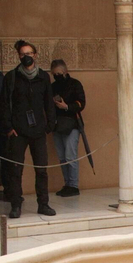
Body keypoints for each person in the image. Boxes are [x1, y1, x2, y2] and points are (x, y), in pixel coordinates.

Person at [0, 40, 56, 218]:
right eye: (23, 54)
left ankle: (43, 204)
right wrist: (8, 127)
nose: (26, 57)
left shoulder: (44, 77)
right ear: (19, 56)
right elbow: (4, 104)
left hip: (38, 130)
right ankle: (16, 204)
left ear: (35, 55)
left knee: (41, 169)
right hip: (18, 131)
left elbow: (49, 102)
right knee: (15, 170)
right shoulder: (11, 77)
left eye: (29, 53)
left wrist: (49, 125)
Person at [50, 59, 87, 198]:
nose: (56, 76)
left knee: (70, 156)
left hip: (72, 124)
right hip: (57, 124)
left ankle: (73, 185)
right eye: (54, 74)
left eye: (58, 73)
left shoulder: (75, 84)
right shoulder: (53, 86)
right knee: (62, 157)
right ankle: (67, 184)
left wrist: (66, 106)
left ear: (65, 72)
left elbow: (81, 103)